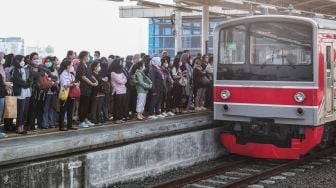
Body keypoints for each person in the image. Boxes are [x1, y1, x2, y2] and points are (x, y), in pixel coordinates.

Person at [76, 51, 97, 128]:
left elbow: (90, 75)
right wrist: (92, 83)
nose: (89, 57)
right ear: (84, 56)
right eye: (88, 55)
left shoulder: (87, 65)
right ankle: (81, 121)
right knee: (83, 105)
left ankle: (85, 119)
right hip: (83, 88)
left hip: (88, 88)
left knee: (87, 105)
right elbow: (83, 77)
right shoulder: (80, 65)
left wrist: (95, 80)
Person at [12, 55, 32, 134]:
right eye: (22, 60)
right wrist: (27, 84)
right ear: (17, 61)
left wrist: (28, 83)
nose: (23, 62)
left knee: (25, 111)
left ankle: (22, 127)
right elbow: (18, 80)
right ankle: (19, 128)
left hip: (27, 92)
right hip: (20, 93)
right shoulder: (15, 70)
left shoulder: (24, 69)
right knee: (20, 111)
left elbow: (29, 78)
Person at [59, 59, 78, 131]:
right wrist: (73, 84)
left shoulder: (71, 74)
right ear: (67, 66)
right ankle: (61, 126)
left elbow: (73, 82)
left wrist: (75, 84)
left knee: (70, 110)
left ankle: (69, 125)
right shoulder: (63, 74)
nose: (72, 67)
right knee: (63, 110)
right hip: (65, 94)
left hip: (71, 94)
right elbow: (65, 85)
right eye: (71, 65)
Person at [42, 57, 59, 128]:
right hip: (47, 92)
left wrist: (57, 82)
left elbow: (57, 79)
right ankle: (45, 123)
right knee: (46, 108)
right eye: (47, 61)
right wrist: (52, 82)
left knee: (52, 108)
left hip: (54, 91)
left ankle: (51, 122)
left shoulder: (55, 70)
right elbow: (45, 80)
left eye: (50, 61)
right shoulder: (44, 70)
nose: (48, 63)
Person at [110, 59, 128, 124]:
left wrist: (122, 81)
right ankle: (116, 118)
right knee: (117, 105)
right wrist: (123, 80)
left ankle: (120, 118)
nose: (121, 64)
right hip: (117, 91)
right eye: (119, 63)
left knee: (122, 105)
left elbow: (126, 79)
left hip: (123, 90)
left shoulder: (122, 72)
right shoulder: (113, 73)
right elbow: (119, 81)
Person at [90, 59, 106, 124]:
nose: (99, 67)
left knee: (99, 106)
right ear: (94, 67)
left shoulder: (99, 73)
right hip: (96, 92)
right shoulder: (92, 74)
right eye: (98, 66)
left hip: (101, 91)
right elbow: (95, 82)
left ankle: (99, 118)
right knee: (94, 106)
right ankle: (93, 119)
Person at [0, 52, 8, 137]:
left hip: (2, 93)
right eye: (2, 57)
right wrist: (5, 84)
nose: (3, 59)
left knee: (1, 113)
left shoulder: (2, 67)